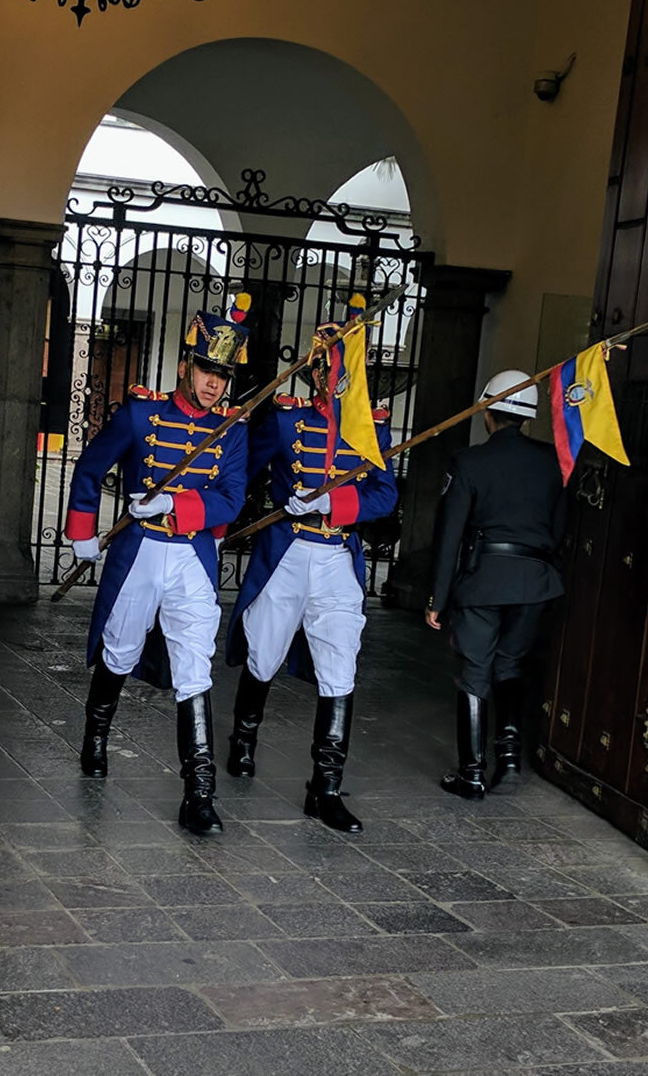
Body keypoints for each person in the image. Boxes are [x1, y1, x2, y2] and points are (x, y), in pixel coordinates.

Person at [64, 298, 251, 835]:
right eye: (207, 369)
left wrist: (176, 504)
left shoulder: (231, 430)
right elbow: (89, 468)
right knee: (119, 648)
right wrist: (82, 533)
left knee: (195, 664)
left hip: (193, 555)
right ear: (185, 366)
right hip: (138, 550)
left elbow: (232, 499)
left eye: (224, 374)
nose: (215, 383)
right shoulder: (140, 415)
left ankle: (200, 792)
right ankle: (96, 736)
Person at [223, 299, 399, 833]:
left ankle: (323, 788)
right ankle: (244, 739)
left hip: (336, 556)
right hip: (287, 550)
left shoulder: (372, 427)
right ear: (317, 369)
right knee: (264, 651)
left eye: (348, 368)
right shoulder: (286, 420)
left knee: (341, 664)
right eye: (330, 367)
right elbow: (241, 472)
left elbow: (384, 494)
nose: (337, 377)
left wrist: (333, 504)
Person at [425, 370, 565, 800]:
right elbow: (558, 528)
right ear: (527, 417)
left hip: (482, 580)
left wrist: (438, 597)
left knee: (475, 670)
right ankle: (508, 761)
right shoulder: (552, 460)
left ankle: (471, 773)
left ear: (488, 412)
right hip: (534, 581)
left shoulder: (469, 462)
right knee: (511, 665)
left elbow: (450, 535)